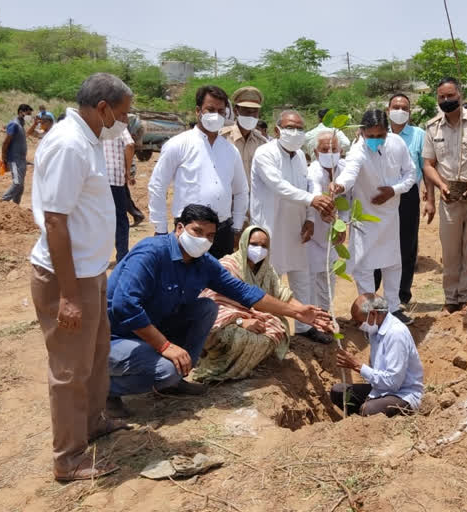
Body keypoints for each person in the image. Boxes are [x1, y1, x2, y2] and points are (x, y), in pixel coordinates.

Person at [106, 205, 332, 416]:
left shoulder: (203, 263)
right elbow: (125, 306)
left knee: (205, 308)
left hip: (151, 328)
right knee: (167, 369)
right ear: (179, 228)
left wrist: (298, 312)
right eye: (197, 231)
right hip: (112, 337)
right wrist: (165, 346)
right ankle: (103, 390)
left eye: (210, 236)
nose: (203, 240)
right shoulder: (152, 253)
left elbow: (246, 293)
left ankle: (173, 382)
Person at [30, 73, 133, 481]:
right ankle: (67, 458)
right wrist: (69, 295)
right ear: (103, 108)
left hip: (89, 272)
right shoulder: (70, 144)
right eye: (123, 114)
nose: (126, 121)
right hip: (66, 279)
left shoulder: (90, 141)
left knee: (94, 355)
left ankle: (93, 423)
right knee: (70, 370)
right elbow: (55, 221)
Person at [250, 110, 335, 344]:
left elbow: (307, 186)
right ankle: (270, 330)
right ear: (277, 130)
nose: (295, 132)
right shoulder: (264, 153)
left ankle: (304, 327)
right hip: (271, 227)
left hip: (296, 226)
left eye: (300, 128)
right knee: (271, 279)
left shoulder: (299, 155)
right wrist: (312, 201)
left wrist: (309, 218)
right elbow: (278, 186)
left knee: (302, 277)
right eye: (290, 127)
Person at [330, 110, 416, 325]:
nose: (375, 140)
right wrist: (339, 185)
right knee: (365, 267)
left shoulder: (397, 144)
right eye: (371, 136)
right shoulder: (357, 151)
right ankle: (374, 314)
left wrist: (393, 190)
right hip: (365, 219)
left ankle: (394, 309)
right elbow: (349, 174)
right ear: (362, 132)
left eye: (380, 135)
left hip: (389, 216)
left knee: (393, 264)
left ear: (387, 131)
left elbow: (410, 174)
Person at [422, 77, 467, 313]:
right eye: (441, 97)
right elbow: (428, 164)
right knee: (450, 249)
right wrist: (440, 187)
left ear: (459, 96)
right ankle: (450, 298)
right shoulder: (432, 127)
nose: (446, 100)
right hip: (449, 197)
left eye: (450, 96)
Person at [148, 85, 248, 259]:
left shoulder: (230, 151)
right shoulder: (178, 144)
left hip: (221, 231)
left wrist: (237, 227)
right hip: (189, 230)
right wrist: (161, 229)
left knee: (219, 283)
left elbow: (241, 191)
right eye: (210, 109)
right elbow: (157, 186)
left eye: (220, 111)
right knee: (185, 282)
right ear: (198, 111)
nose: (215, 115)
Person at [191, 226, 296, 382]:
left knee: (274, 330)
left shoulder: (266, 270)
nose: (258, 250)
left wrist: (305, 312)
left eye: (263, 246)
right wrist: (241, 321)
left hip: (254, 319)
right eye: (253, 245)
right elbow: (212, 303)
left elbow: (282, 294)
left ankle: (241, 368)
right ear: (243, 243)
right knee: (240, 336)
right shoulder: (227, 266)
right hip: (223, 323)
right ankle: (211, 368)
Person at [331, 294, 423, 417]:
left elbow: (393, 383)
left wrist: (358, 366)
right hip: (380, 389)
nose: (358, 326)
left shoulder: (396, 334)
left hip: (403, 394)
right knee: (338, 392)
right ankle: (359, 420)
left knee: (368, 410)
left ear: (373, 314)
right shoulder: (375, 331)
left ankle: (367, 419)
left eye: (359, 322)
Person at [373, 93, 426, 307]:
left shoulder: (419, 135)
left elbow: (425, 166)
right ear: (388, 110)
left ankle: (401, 295)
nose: (400, 110)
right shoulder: (375, 133)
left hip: (407, 195)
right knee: (377, 241)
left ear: (410, 111)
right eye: (396, 106)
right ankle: (373, 293)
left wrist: (429, 197)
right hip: (379, 196)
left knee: (406, 244)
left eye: (404, 107)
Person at [307, 131, 348, 312]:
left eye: (334, 149)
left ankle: (327, 313)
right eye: (325, 149)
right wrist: (322, 208)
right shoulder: (312, 171)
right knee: (314, 276)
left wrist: (343, 224)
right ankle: (315, 317)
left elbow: (348, 199)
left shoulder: (344, 169)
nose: (330, 153)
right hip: (314, 232)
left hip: (332, 233)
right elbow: (315, 192)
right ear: (316, 153)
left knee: (330, 275)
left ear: (341, 151)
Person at [220, 86, 268, 194]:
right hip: (229, 203)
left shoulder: (262, 142)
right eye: (246, 111)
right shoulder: (222, 138)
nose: (251, 115)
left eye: (254, 111)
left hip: (255, 204)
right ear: (236, 111)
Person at [104, 127, 136, 262]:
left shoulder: (95, 123)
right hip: (115, 178)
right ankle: (122, 256)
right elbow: (130, 144)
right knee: (120, 219)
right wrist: (127, 171)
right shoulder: (118, 126)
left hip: (96, 178)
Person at [0, 103, 33, 204]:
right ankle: (2, 203)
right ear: (20, 112)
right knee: (17, 183)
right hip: (14, 159)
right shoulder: (14, 124)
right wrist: (4, 157)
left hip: (21, 160)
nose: (29, 117)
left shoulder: (20, 125)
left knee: (21, 186)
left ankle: (15, 208)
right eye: (27, 114)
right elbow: (6, 142)